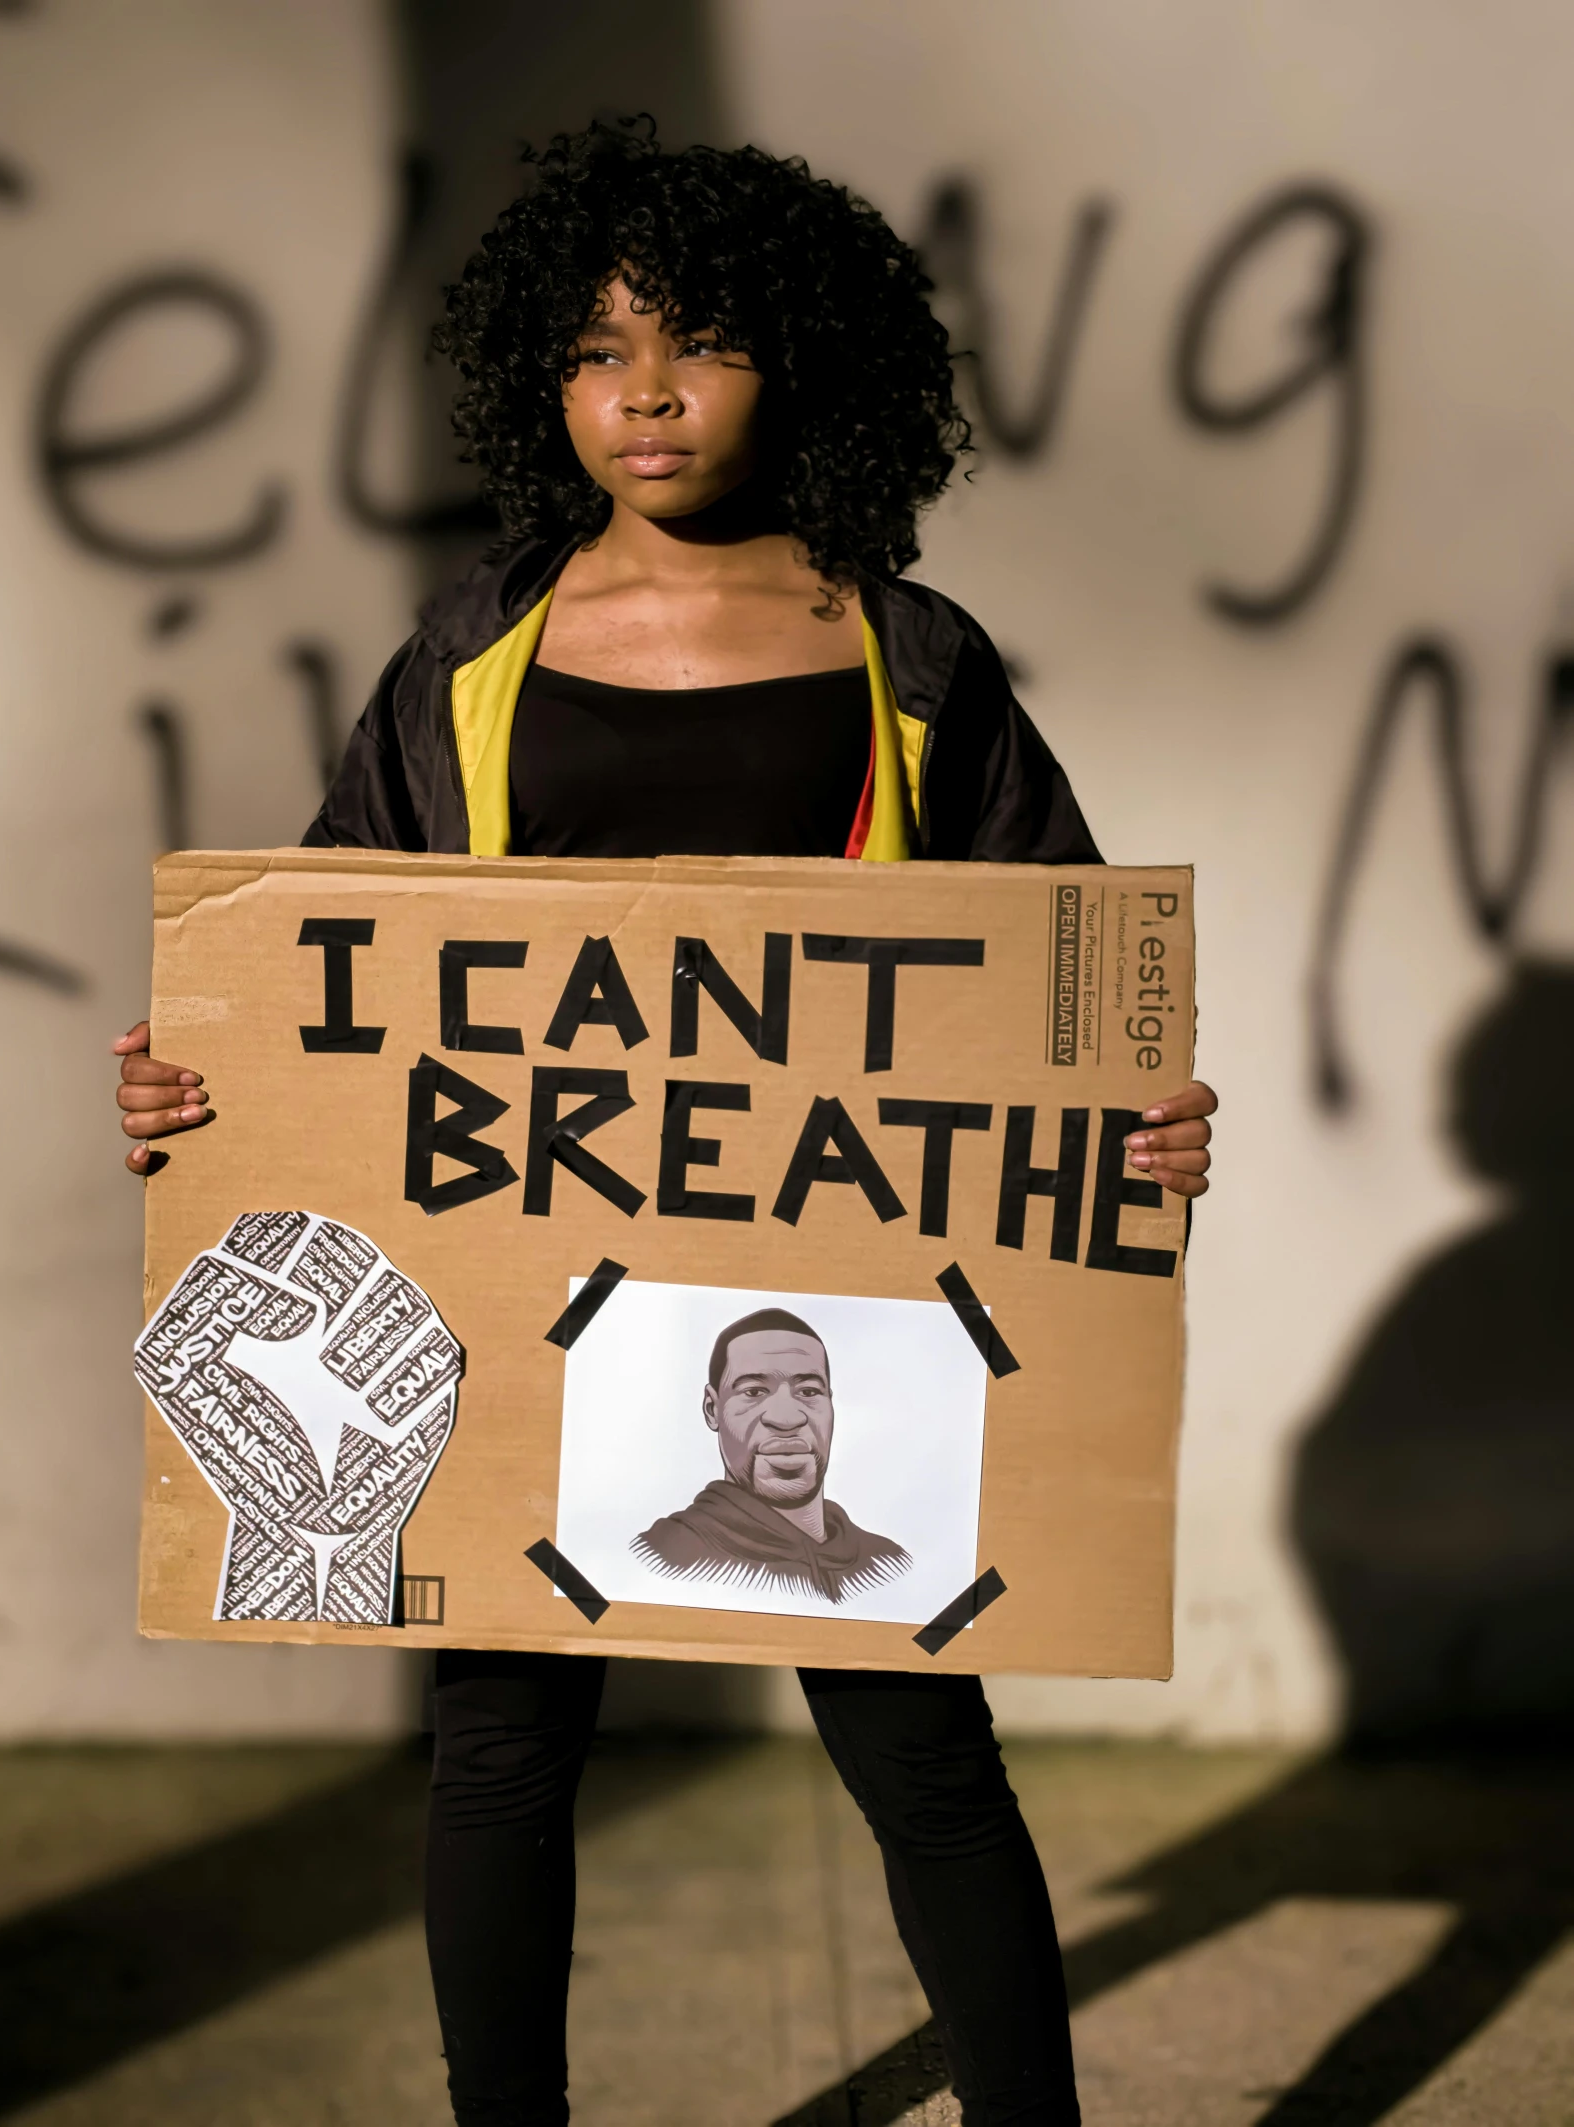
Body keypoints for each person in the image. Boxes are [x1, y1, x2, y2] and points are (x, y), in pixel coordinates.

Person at [113, 121, 1217, 2127]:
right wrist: (201, 1079)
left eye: (697, 342)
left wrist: (1135, 1127)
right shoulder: (468, 651)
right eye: (597, 347)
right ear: (539, 384)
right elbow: (328, 950)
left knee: (921, 1755)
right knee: (502, 1747)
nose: (642, 390)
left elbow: (1056, 968)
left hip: (835, 1292)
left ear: (799, 365)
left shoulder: (908, 653)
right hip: (525, 1296)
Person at [634, 1306, 911, 1602]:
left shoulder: (887, 1564)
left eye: (808, 1392)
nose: (787, 1419)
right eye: (754, 1392)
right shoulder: (666, 1558)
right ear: (712, 1410)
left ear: (830, 1404)